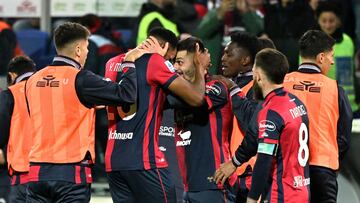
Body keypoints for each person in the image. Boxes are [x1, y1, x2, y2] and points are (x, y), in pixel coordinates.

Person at [24, 22, 139, 202]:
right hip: (71, 172)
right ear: (78, 49)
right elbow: (126, 95)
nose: (87, 53)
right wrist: (130, 63)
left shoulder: (33, 80)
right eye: (86, 48)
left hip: (37, 172)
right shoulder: (81, 78)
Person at [105, 28, 209, 203]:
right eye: (171, 58)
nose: (171, 63)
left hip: (114, 162)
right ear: (164, 47)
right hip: (144, 161)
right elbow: (196, 98)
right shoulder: (153, 61)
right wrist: (199, 65)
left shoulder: (112, 62)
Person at [214, 48, 311, 202]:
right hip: (302, 191)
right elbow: (254, 136)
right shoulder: (296, 103)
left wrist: (252, 198)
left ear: (258, 76)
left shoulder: (272, 112)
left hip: (281, 194)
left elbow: (264, 160)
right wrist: (234, 163)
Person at [284, 30, 352, 203]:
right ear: (321, 57)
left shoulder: (282, 83)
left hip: (288, 169)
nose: (332, 61)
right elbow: (344, 136)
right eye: (331, 56)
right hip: (323, 167)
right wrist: (333, 160)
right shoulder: (335, 89)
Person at [170, 37, 236, 202]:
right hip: (188, 187)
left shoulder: (216, 86)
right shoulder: (178, 91)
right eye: (174, 62)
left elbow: (197, 100)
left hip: (213, 184)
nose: (175, 68)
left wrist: (200, 66)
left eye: (180, 62)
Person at [221, 31, 260, 203]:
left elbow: (251, 125)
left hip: (247, 171)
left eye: (229, 54)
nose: (223, 58)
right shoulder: (231, 85)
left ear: (245, 60)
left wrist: (233, 90)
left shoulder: (257, 88)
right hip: (230, 169)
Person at [0, 56, 35, 202]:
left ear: (12, 75)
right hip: (52, 170)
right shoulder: (51, 90)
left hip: (22, 170)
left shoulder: (10, 94)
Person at [196, 0, 263, 74]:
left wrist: (245, 11)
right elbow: (201, 33)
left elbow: (258, 31)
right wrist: (220, 14)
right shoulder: (214, 13)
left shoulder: (250, 13)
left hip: (244, 66)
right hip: (217, 66)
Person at [316, 1, 358, 111]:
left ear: (339, 21)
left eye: (332, 21)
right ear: (318, 20)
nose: (328, 25)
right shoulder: (311, 44)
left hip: (350, 106)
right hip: (322, 106)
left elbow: (353, 73)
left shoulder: (348, 42)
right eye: (324, 21)